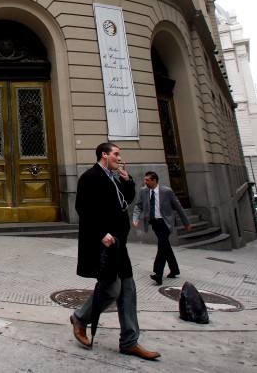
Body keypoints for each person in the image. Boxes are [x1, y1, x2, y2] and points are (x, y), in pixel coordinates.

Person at [70, 142, 160, 360]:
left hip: (119, 244)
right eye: (116, 154)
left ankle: (130, 341)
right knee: (111, 289)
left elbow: (125, 201)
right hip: (104, 244)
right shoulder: (90, 177)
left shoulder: (112, 178)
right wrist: (101, 233)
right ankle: (81, 318)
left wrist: (127, 180)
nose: (119, 158)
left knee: (128, 291)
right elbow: (82, 208)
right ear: (104, 155)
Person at [132, 171, 191, 286]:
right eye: (145, 180)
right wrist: (135, 218)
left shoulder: (166, 191)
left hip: (166, 222)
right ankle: (174, 269)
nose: (145, 182)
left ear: (155, 181)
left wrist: (186, 223)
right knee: (165, 245)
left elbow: (178, 206)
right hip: (155, 222)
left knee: (162, 243)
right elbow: (138, 205)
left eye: (147, 180)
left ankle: (158, 273)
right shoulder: (144, 191)